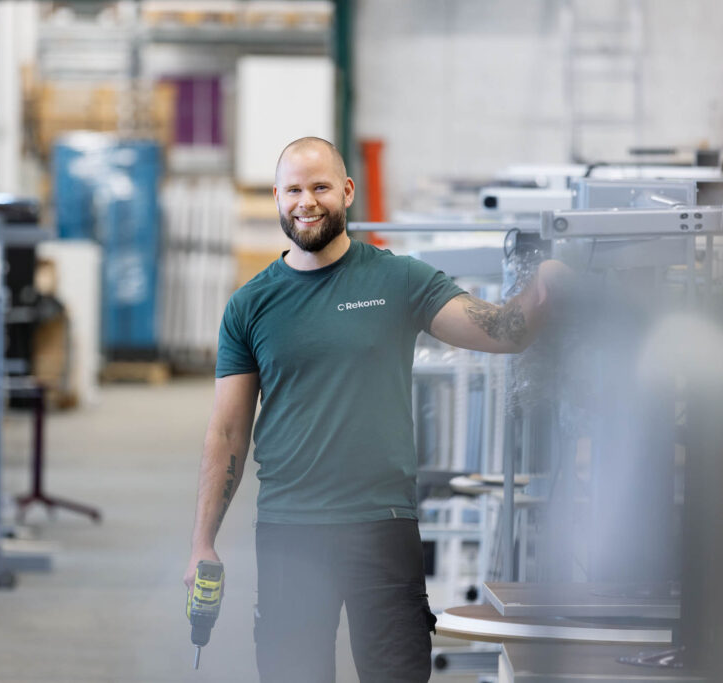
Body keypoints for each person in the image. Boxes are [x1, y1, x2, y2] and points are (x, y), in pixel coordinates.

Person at [184, 137, 566, 682]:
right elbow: (226, 433)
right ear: (276, 196)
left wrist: (546, 287)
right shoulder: (250, 304)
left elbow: (505, 331)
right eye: (293, 189)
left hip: (381, 525)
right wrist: (203, 542)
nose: (306, 202)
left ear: (347, 191)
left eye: (319, 187)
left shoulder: (399, 280)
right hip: (290, 527)